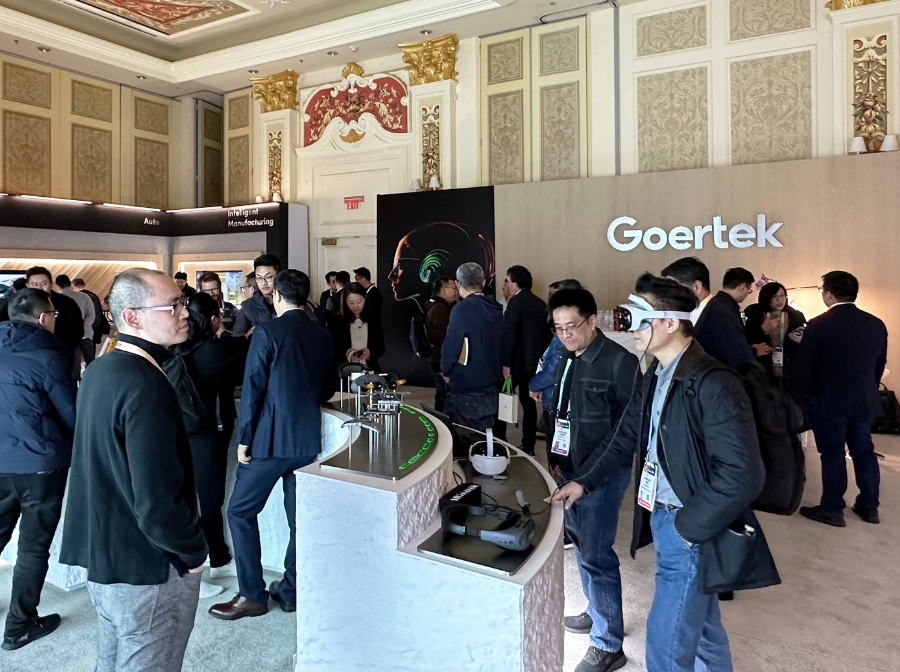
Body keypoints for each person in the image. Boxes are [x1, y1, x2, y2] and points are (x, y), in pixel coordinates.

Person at [550, 273, 779, 672]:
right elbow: (625, 435)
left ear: (671, 323)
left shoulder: (713, 383)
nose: (631, 329)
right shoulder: (656, 373)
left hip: (689, 527)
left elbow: (743, 473)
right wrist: (583, 481)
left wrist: (688, 528)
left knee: (665, 648)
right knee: (704, 631)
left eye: (639, 319)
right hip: (665, 517)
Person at [60, 269, 208, 672]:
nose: (185, 313)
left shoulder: (101, 370)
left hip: (104, 555)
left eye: (182, 303)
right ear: (132, 317)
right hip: (148, 565)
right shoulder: (147, 384)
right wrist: (194, 552)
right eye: (172, 306)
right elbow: (157, 499)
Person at [210, 269, 334, 620]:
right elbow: (326, 389)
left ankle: (252, 595)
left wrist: (245, 438)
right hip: (306, 440)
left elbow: (253, 389)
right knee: (298, 519)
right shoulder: (322, 334)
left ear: (277, 296)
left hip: (269, 441)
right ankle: (291, 591)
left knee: (239, 512)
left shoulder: (267, 331)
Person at [547, 287, 640, 672]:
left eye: (572, 326)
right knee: (584, 548)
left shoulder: (620, 362)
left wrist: (585, 479)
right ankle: (598, 610)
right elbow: (560, 411)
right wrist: (556, 459)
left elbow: (626, 433)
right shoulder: (566, 355)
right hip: (571, 469)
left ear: (591, 320)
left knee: (596, 555)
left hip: (600, 475)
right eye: (558, 328)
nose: (566, 334)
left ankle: (607, 644)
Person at [0, 288, 76, 651]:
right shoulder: (48, 355)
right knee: (32, 548)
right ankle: (19, 626)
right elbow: (72, 413)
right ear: (44, 317)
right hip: (40, 464)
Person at [171, 292, 249, 594]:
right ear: (214, 319)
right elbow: (245, 352)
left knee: (208, 497)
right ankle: (192, 573)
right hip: (207, 433)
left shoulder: (180, 347)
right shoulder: (217, 351)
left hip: (188, 430)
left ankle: (218, 557)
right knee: (205, 499)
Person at [796, 271, 888, 527]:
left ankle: (832, 507)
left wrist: (802, 396)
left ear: (828, 294)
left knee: (833, 453)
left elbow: (805, 367)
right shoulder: (876, 324)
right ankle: (869, 506)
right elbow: (879, 364)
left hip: (828, 400)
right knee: (864, 450)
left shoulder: (818, 324)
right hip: (863, 398)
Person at [441, 263, 506, 431]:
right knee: (486, 434)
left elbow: (452, 346)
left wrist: (446, 370)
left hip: (466, 383)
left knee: (463, 434)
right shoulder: (496, 308)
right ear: (483, 282)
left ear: (458, 284)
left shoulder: (461, 310)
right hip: (491, 381)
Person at [529, 280, 582, 478]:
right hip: (562, 401)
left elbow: (553, 372)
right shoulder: (568, 331)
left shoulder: (565, 335)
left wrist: (534, 385)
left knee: (558, 461)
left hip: (559, 403)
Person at [662, 258, 755, 370]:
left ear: (696, 287)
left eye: (674, 288)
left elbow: (742, 364)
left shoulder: (720, 315)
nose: (669, 294)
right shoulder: (687, 313)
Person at [499, 265, 547, 456]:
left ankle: (500, 442)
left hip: (515, 364)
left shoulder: (515, 303)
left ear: (515, 283)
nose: (506, 284)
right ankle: (529, 445)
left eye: (508, 281)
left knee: (504, 401)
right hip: (533, 363)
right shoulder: (540, 303)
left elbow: (509, 335)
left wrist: (506, 363)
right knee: (529, 405)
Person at [744, 282, 807, 395]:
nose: (780, 300)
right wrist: (763, 329)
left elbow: (802, 344)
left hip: (789, 368)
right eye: (775, 296)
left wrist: (802, 340)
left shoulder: (795, 316)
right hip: (764, 367)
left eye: (782, 296)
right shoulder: (755, 316)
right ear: (766, 298)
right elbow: (747, 341)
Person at [25, 267, 83, 371]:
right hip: (28, 359)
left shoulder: (67, 303)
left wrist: (63, 349)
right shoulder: (20, 305)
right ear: (27, 285)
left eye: (44, 284)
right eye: (34, 284)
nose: (39, 288)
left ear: (51, 284)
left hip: (60, 356)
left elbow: (77, 330)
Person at [329, 282, 385, 373]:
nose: (355, 306)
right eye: (351, 303)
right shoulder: (338, 322)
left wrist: (369, 353)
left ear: (365, 298)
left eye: (359, 301)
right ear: (345, 302)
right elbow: (334, 349)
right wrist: (349, 354)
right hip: (346, 372)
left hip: (369, 370)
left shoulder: (373, 320)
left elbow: (380, 348)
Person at [424, 277, 458, 412]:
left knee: (441, 393)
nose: (456, 291)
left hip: (436, 357)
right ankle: (442, 420)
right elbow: (446, 338)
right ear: (443, 290)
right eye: (453, 288)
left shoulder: (434, 305)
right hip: (440, 359)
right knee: (444, 394)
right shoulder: (440, 309)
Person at [233, 255, 281, 337]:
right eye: (259, 278)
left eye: (268, 277)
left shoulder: (290, 302)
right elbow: (237, 339)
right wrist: (248, 336)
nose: (263, 282)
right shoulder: (247, 307)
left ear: (279, 276)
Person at [56, 274, 96, 372]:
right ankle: (90, 380)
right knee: (90, 362)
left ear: (58, 286)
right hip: (85, 334)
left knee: (74, 365)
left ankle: (76, 380)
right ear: (70, 284)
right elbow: (91, 315)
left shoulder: (57, 299)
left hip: (67, 337)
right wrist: (83, 327)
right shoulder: (84, 297)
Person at [72, 277, 111, 346]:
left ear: (74, 287)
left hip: (85, 330)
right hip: (96, 328)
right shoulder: (94, 295)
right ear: (84, 285)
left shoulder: (78, 298)